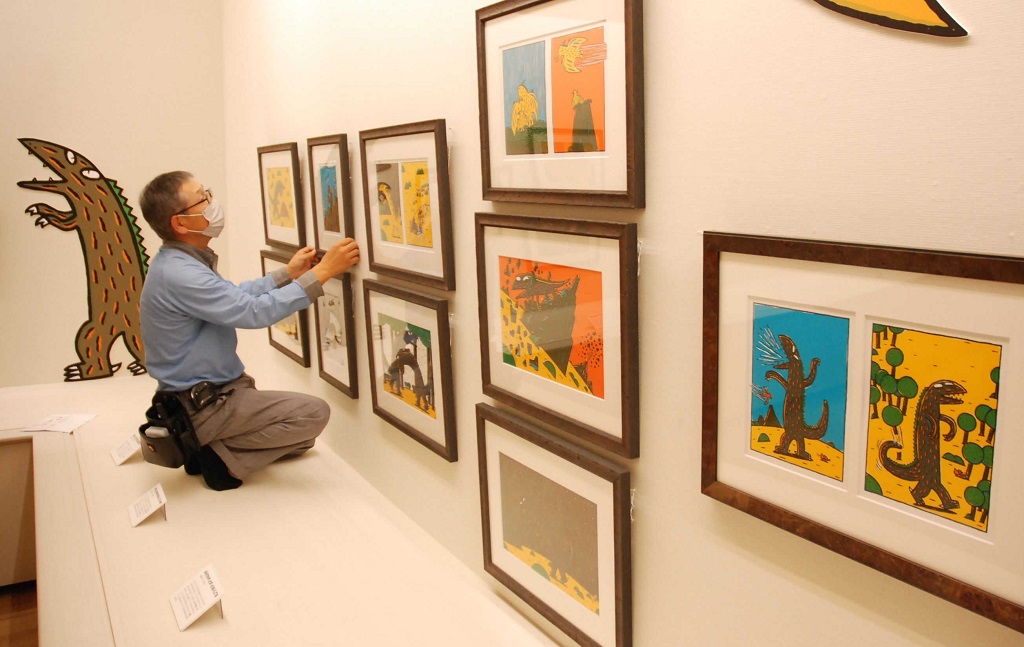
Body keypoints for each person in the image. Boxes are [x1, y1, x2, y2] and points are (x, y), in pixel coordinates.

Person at [138, 171, 359, 490]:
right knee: (313, 415)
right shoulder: (180, 273)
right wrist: (323, 272)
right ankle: (220, 461)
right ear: (181, 223)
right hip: (203, 404)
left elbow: (233, 297)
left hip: (214, 393)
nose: (212, 202)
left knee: (302, 442)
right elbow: (252, 312)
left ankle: (206, 447)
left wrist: (287, 274)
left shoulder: (180, 263)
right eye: (203, 199)